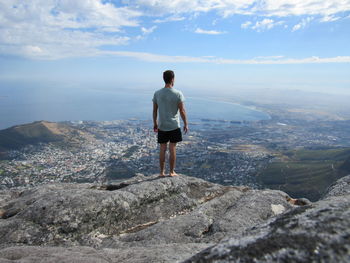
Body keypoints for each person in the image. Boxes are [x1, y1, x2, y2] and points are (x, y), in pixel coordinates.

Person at [152, 70, 188, 177]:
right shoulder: (178, 93)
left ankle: (161, 172)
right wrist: (186, 123)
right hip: (174, 126)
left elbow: (154, 110)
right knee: (172, 148)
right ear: (172, 79)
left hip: (162, 125)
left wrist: (155, 123)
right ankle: (171, 172)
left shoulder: (157, 93)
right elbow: (182, 111)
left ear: (164, 79)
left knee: (162, 149)